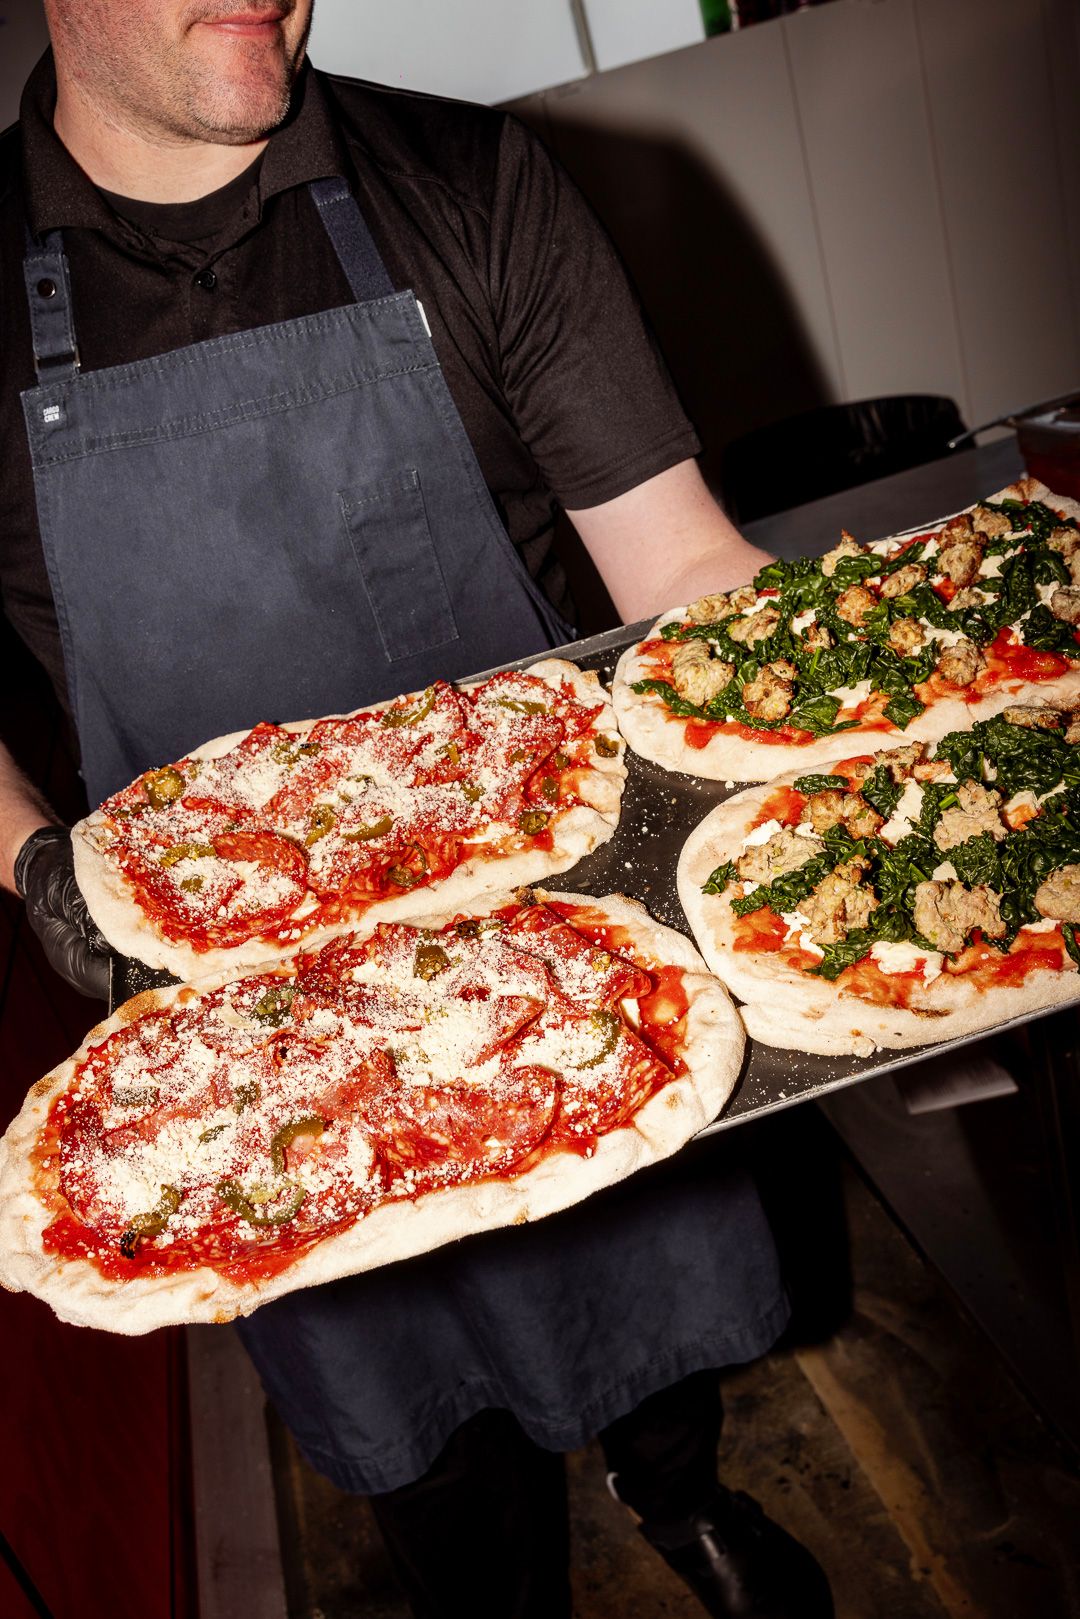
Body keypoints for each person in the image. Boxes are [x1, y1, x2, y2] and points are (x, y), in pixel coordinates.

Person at [0, 5, 833, 1615]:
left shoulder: (470, 179)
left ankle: (679, 1494)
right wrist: (32, 857)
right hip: (237, 1022)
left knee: (644, 1290)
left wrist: (887, 711)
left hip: (567, 956)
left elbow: (680, 567)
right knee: (409, 1425)